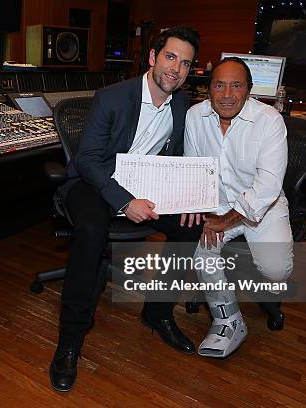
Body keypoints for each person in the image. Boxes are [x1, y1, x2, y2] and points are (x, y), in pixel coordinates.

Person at [50, 26, 202, 392]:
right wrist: (123, 201)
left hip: (145, 184)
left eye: (185, 63)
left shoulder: (181, 104)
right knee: (90, 231)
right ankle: (70, 339)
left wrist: (188, 199)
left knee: (190, 226)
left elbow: (177, 158)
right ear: (152, 58)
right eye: (170, 57)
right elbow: (87, 160)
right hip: (94, 182)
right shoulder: (112, 97)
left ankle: (158, 312)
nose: (176, 69)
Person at [183, 57, 293, 358]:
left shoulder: (269, 120)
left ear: (249, 90)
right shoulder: (195, 117)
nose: (227, 94)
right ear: (208, 90)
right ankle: (228, 320)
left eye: (236, 85)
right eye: (219, 85)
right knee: (203, 257)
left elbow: (268, 186)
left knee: (276, 271)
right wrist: (206, 211)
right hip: (218, 204)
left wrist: (226, 221)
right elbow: (195, 170)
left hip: (263, 206)